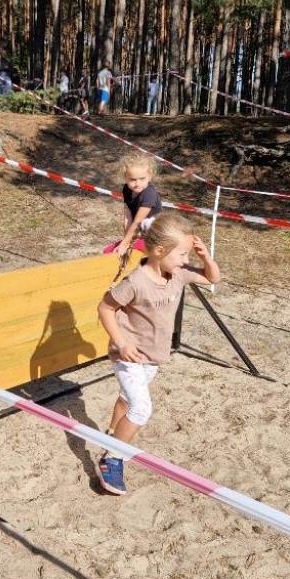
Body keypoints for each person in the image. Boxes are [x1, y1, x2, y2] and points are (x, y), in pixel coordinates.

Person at [95, 212, 221, 495]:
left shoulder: (179, 272)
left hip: (153, 357)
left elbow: (214, 279)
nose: (185, 259)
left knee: (127, 400)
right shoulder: (136, 282)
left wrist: (205, 257)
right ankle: (111, 458)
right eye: (183, 254)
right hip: (128, 356)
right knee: (141, 408)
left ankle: (111, 436)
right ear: (160, 251)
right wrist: (122, 343)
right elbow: (105, 308)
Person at [104, 154, 163, 256]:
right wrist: (127, 241)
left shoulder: (149, 194)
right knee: (107, 252)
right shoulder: (127, 189)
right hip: (138, 236)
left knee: (118, 255)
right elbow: (128, 216)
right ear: (125, 177)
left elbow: (137, 221)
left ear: (150, 176)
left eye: (142, 179)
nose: (137, 183)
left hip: (154, 239)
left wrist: (125, 244)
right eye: (132, 179)